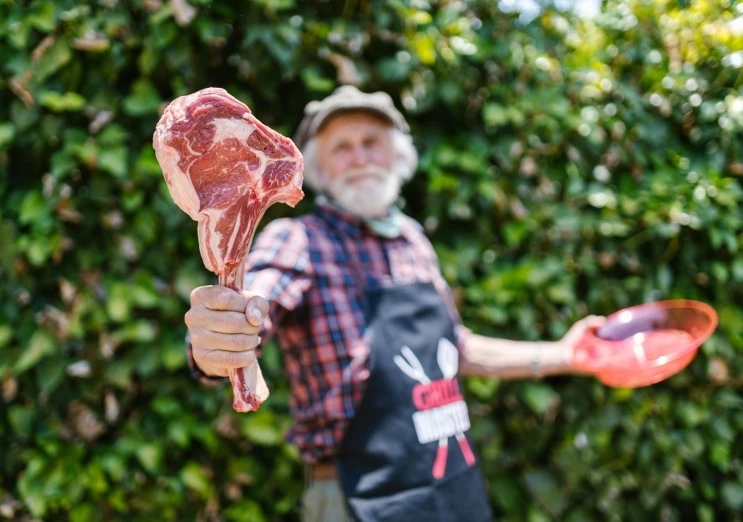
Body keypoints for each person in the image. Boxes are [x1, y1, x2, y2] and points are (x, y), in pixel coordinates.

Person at [184, 85, 605, 522]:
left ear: (397, 155)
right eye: (341, 147)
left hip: (453, 482)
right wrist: (218, 336)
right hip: (360, 495)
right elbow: (251, 308)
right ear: (318, 167)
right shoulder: (299, 240)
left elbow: (454, 350)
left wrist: (568, 354)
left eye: (371, 142)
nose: (360, 156)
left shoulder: (413, 239)